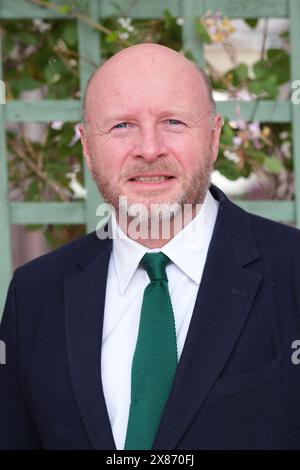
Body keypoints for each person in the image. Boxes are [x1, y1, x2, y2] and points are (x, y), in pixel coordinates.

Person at [0, 43, 300, 450]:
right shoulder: (34, 294)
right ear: (87, 147)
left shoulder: (292, 269)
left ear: (213, 138)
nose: (149, 148)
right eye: (122, 125)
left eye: (173, 122)